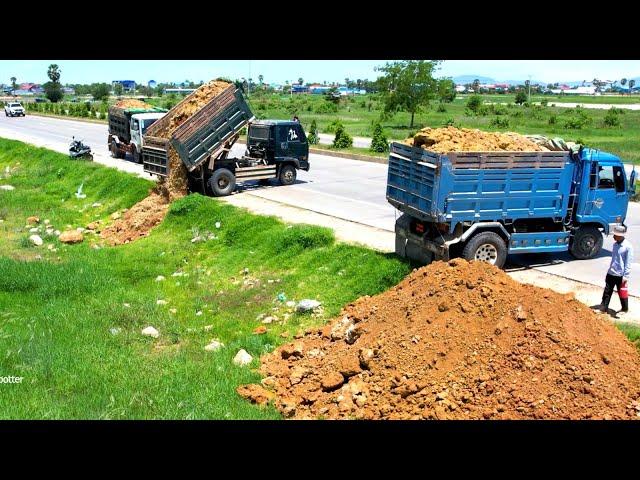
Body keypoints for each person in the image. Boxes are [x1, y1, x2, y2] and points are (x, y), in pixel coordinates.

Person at [594, 225, 634, 316]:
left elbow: (628, 263)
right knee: (607, 291)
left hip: (620, 275)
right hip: (611, 272)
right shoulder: (615, 245)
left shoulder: (628, 247)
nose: (613, 236)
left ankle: (624, 308)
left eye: (615, 235)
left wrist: (626, 276)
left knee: (621, 292)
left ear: (620, 235)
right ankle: (603, 307)